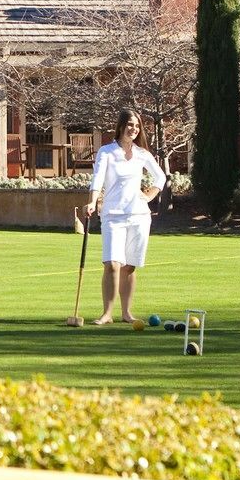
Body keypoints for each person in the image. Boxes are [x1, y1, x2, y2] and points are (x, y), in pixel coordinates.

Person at [83, 109, 168, 325]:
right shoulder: (107, 152)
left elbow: (160, 176)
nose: (134, 129)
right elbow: (98, 179)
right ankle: (107, 314)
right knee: (112, 263)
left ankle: (127, 313)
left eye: (137, 126)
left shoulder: (142, 154)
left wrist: (149, 195)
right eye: (130, 124)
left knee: (129, 266)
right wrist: (92, 201)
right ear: (121, 126)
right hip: (113, 215)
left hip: (139, 216)